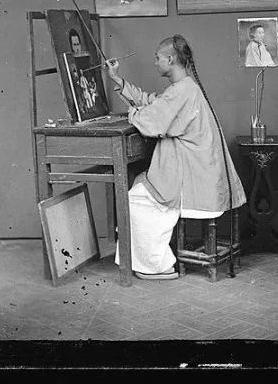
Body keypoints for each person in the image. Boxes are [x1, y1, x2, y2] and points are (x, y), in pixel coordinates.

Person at [104, 35, 247, 280]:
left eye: (157, 58)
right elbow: (155, 104)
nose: (155, 62)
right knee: (139, 188)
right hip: (198, 170)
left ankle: (158, 266)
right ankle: (154, 258)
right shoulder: (184, 88)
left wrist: (133, 112)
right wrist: (118, 80)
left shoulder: (183, 91)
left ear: (170, 59)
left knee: (134, 201)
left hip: (194, 176)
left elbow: (152, 121)